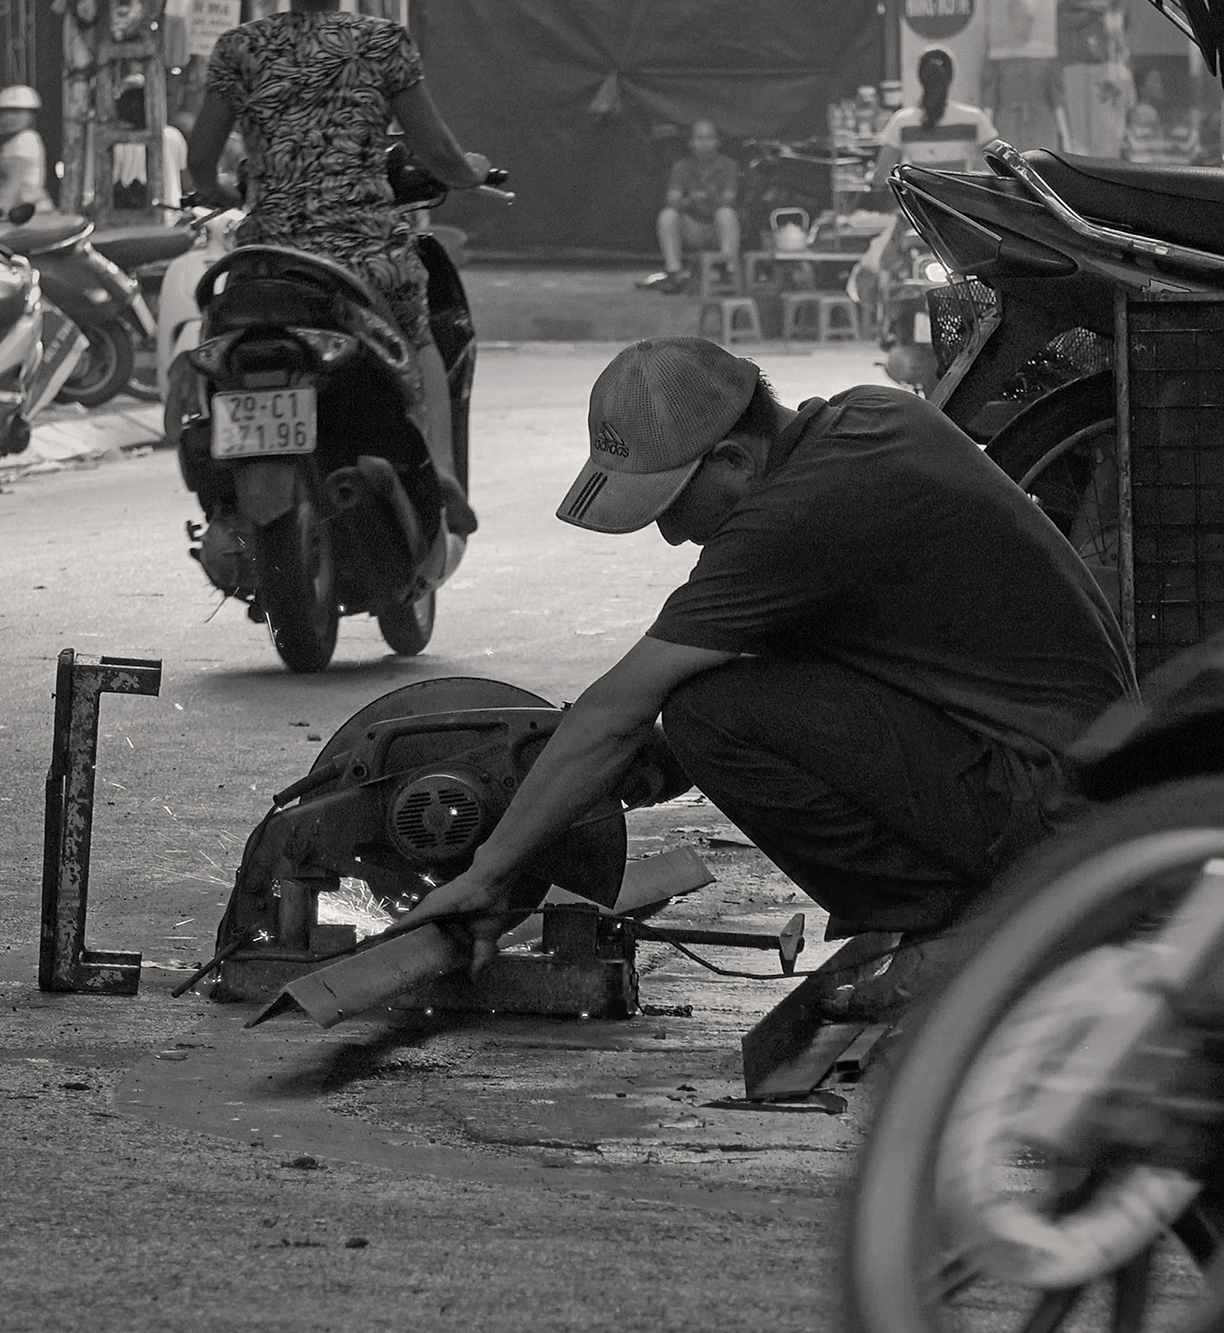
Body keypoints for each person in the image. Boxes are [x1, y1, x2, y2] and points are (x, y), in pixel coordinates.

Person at [396, 336, 1139, 1019]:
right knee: (708, 703)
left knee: (706, 716)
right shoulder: (875, 418)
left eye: (673, 505)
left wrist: (490, 871)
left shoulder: (794, 516)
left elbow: (619, 709)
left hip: (1049, 811)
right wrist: (643, 765)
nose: (671, 534)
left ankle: (966, 928)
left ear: (733, 459)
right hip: (1086, 786)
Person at [187, 0, 490, 537]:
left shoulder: (238, 47)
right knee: (419, 336)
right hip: (364, 253)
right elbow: (439, 151)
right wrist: (469, 173)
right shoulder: (381, 42)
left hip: (268, 261)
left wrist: (224, 193)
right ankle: (442, 470)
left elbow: (199, 163)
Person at [852, 48, 997, 339]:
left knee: (875, 269)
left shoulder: (902, 121)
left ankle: (887, 331)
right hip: (962, 219)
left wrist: (873, 181)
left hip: (914, 220)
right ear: (951, 78)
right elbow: (999, 165)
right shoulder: (974, 119)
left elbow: (880, 176)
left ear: (919, 79)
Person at [639, 120, 740, 295]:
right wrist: (690, 199)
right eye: (699, 138)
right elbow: (672, 200)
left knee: (727, 213)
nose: (704, 143)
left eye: (709, 138)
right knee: (667, 216)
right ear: (691, 142)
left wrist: (712, 197)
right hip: (692, 228)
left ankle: (728, 272)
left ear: (717, 142)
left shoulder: (729, 165)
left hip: (718, 230)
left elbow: (729, 199)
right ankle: (674, 274)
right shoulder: (681, 167)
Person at [110, 74, 190, 223]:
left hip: (130, 223)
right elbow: (188, 182)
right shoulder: (172, 135)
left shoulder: (115, 141)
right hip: (170, 221)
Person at [0, 85, 52, 216]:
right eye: (8, 112)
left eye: (19, 112)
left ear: (31, 116)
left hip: (26, 214)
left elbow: (13, 182)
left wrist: (3, 207)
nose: (12, 118)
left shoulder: (25, 139)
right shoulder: (11, 141)